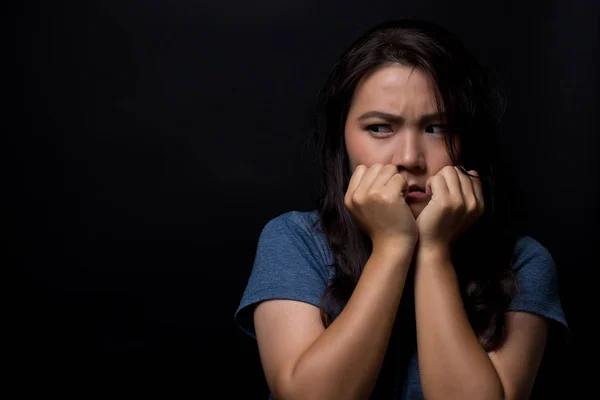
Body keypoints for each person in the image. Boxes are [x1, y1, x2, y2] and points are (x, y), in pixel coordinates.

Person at [234, 19, 568, 400]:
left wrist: (434, 251)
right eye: (379, 128)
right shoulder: (295, 242)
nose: (409, 158)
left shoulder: (523, 262)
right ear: (341, 139)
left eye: (437, 128)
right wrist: (392, 246)